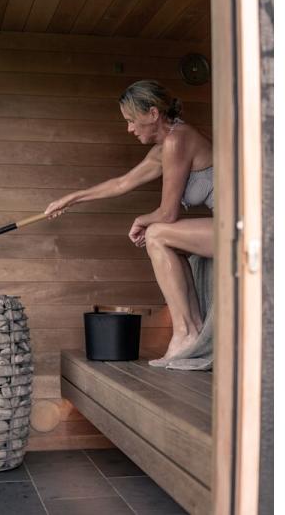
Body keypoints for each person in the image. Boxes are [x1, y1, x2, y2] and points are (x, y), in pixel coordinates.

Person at [44, 80, 214, 361]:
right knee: (158, 235)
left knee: (157, 233)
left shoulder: (177, 140)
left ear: (153, 113)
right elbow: (122, 183)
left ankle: (186, 332)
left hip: (248, 229)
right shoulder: (165, 147)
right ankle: (190, 329)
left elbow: (168, 214)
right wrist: (71, 199)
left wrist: (141, 220)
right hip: (228, 226)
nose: (129, 129)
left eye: (132, 120)